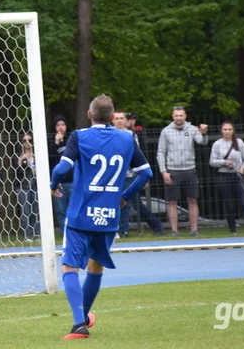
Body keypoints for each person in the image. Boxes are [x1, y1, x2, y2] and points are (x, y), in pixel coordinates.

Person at [50, 95, 153, 339]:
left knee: (69, 267)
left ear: (89, 114)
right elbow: (146, 173)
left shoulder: (80, 136)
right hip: (108, 216)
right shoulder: (126, 139)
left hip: (80, 215)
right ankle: (84, 317)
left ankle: (79, 325)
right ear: (112, 117)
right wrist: (125, 196)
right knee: (95, 266)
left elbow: (62, 168)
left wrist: (53, 183)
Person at [157, 106, 207, 236]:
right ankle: (174, 230)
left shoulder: (191, 129)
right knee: (172, 201)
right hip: (173, 170)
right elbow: (161, 152)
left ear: (185, 116)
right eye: (176, 115)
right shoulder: (166, 131)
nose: (179, 118)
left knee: (192, 199)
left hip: (190, 169)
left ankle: (194, 229)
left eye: (181, 115)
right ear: (172, 116)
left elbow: (202, 142)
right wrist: (163, 171)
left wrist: (204, 132)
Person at [209, 121, 244, 235]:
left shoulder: (239, 142)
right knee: (229, 204)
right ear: (221, 131)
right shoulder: (217, 144)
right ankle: (232, 229)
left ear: (233, 130)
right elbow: (212, 161)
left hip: (238, 175)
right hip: (224, 176)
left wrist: (243, 167)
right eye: (225, 129)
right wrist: (224, 162)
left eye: (229, 129)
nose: (227, 132)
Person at [15, 132, 40, 240]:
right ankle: (27, 235)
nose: (27, 143)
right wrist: (21, 161)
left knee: (36, 210)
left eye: (29, 140)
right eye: (24, 141)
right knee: (25, 211)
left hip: (35, 185)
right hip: (23, 186)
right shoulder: (18, 156)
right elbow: (16, 172)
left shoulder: (38, 155)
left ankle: (37, 233)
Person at [49, 116, 73, 231]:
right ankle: (65, 235)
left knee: (73, 210)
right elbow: (50, 159)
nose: (60, 127)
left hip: (72, 181)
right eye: (58, 125)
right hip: (59, 183)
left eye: (62, 125)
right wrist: (56, 143)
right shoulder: (50, 142)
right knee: (61, 211)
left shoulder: (71, 140)